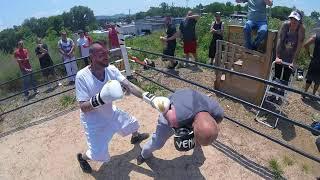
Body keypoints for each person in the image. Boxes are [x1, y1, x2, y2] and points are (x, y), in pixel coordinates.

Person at [75, 41, 149, 173]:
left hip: (110, 112)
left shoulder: (111, 69)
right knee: (98, 154)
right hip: (94, 120)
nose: (106, 56)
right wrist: (100, 98)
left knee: (133, 123)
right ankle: (82, 158)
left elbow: (130, 86)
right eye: (101, 54)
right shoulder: (82, 76)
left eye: (106, 53)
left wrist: (150, 97)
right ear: (91, 56)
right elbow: (83, 107)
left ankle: (135, 136)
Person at [136, 88, 224, 165]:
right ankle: (144, 154)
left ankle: (199, 136)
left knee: (200, 135)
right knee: (158, 143)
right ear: (192, 126)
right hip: (173, 108)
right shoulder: (176, 118)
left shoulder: (218, 113)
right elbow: (167, 114)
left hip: (187, 96)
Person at [274, 11, 305, 84]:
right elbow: (280, 40)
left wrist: (294, 61)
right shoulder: (285, 25)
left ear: (299, 21)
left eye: (296, 20)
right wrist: (277, 56)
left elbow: (299, 46)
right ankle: (274, 91)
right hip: (281, 52)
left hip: (291, 56)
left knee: (285, 78)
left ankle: (282, 91)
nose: (293, 21)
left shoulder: (301, 29)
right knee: (276, 76)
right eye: (292, 19)